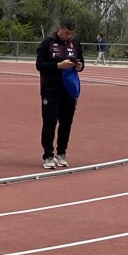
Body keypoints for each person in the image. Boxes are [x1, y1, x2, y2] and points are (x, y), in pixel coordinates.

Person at [36, 18, 84, 169]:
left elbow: (81, 62)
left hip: (69, 90)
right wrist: (58, 65)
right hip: (50, 89)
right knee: (50, 122)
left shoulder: (75, 44)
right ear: (60, 29)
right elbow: (40, 65)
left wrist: (79, 66)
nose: (69, 36)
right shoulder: (47, 43)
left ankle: (61, 153)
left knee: (66, 123)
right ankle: (48, 155)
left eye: (71, 33)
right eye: (66, 33)